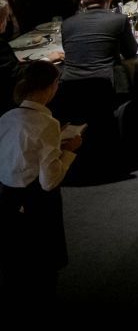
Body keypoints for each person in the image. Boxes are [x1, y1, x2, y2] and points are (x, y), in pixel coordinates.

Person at [0, 61, 82, 272]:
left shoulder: (6, 117)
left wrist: (55, 139)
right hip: (36, 199)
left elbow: (21, 150)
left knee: (18, 256)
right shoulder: (47, 123)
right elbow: (49, 181)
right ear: (51, 86)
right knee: (45, 259)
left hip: (8, 195)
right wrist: (69, 150)